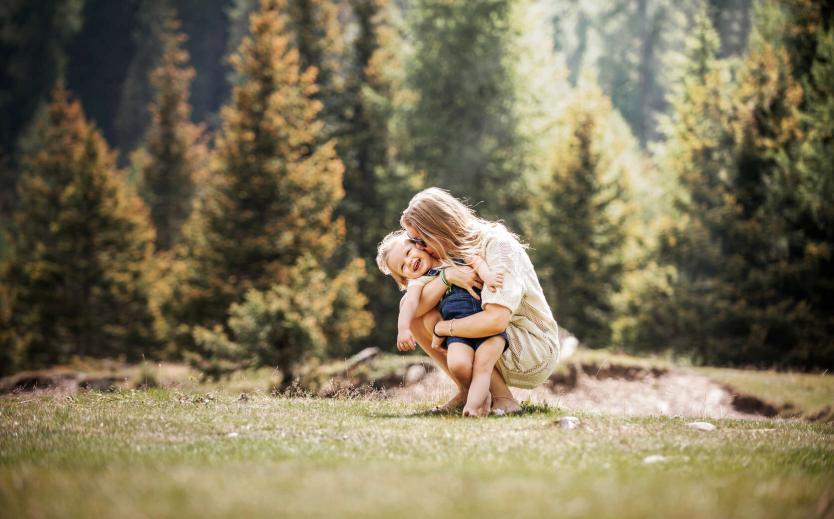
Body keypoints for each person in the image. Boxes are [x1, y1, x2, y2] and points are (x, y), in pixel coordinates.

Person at [398, 187, 561, 415]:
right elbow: (412, 308)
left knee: (440, 315)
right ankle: (468, 390)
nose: (418, 248)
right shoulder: (450, 255)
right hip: (501, 336)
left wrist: (443, 327)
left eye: (420, 240)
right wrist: (447, 277)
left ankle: (502, 398)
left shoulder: (498, 245)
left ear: (437, 230)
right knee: (415, 310)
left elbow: (496, 320)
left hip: (531, 347)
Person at [376, 230, 507, 416]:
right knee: (459, 365)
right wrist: (403, 329)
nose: (409, 261)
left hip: (481, 320)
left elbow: (475, 259)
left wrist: (487, 276)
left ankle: (485, 401)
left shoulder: (449, 254)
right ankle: (474, 401)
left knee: (482, 364)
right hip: (458, 331)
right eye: (403, 266)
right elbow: (410, 303)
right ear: (404, 278)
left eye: (408, 253)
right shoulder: (419, 280)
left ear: (419, 245)